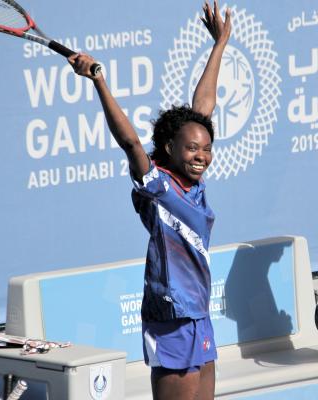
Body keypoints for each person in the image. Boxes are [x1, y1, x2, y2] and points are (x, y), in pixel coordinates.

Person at [69, 1, 231, 399]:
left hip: (199, 315)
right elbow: (129, 141)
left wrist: (220, 45)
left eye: (207, 149)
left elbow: (203, 109)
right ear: (169, 147)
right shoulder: (156, 184)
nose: (201, 156)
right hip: (170, 316)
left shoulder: (196, 184)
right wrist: (98, 80)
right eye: (192, 149)